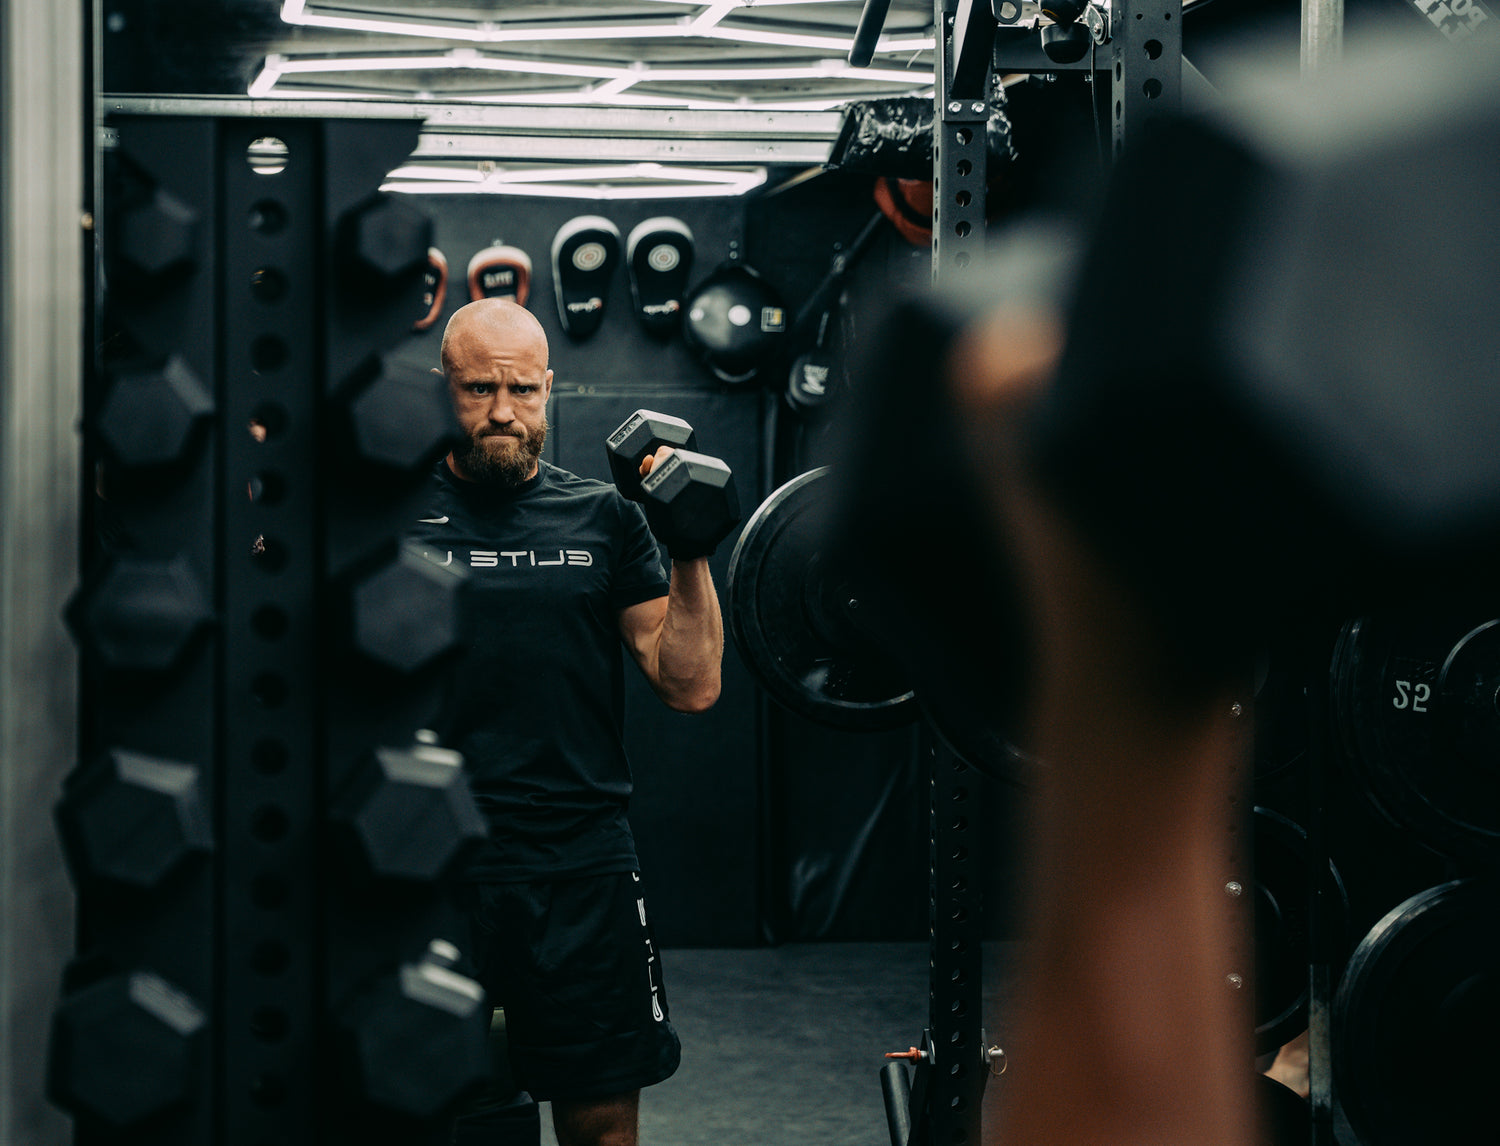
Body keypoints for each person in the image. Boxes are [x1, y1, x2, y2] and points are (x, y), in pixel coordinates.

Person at [410, 298, 725, 1146]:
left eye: (522, 390)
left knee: (601, 1127)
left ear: (552, 389)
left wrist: (692, 549)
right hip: (419, 866)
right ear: (441, 390)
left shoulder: (606, 517)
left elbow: (688, 684)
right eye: (478, 389)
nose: (503, 412)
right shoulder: (380, 515)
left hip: (579, 865)